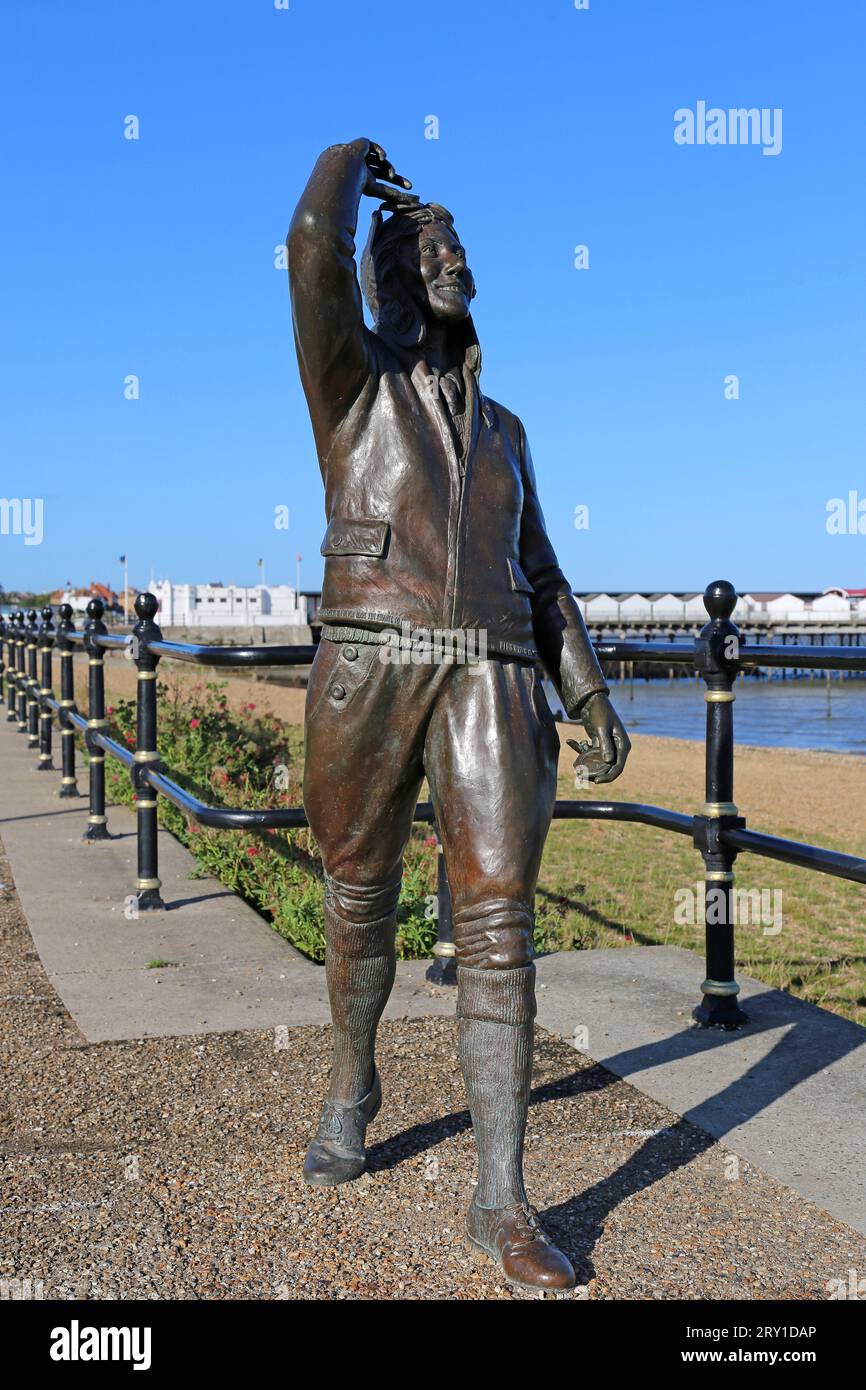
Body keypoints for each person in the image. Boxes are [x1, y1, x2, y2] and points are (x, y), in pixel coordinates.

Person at [287, 139, 630, 1292]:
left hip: (489, 670)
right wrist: (344, 162)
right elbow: (305, 250)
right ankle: (351, 1080)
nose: (449, 259)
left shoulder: (510, 434)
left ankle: (501, 1198)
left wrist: (580, 686)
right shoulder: (352, 385)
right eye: (424, 248)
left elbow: (540, 573)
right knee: (359, 896)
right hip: (372, 661)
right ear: (384, 278)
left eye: (457, 247)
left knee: (496, 923)